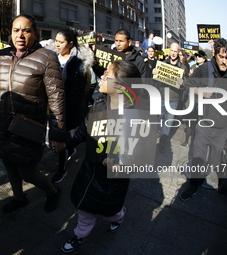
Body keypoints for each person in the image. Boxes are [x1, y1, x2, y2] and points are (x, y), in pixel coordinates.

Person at [0, 14, 65, 213]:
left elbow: (56, 98)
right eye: (16, 30)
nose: (20, 35)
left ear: (35, 33)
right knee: (9, 165)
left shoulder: (47, 57)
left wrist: (57, 133)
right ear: (10, 33)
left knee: (28, 172)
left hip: (27, 126)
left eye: (26, 30)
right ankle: (19, 198)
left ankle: (53, 191)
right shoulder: (1, 55)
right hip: (3, 124)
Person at [62, 60, 140, 253]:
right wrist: (65, 141)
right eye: (104, 73)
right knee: (85, 209)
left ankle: (119, 216)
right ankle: (80, 235)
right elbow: (83, 130)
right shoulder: (98, 102)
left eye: (108, 75)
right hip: (90, 171)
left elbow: (137, 154)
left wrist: (120, 163)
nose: (102, 77)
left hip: (112, 181)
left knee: (109, 212)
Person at [180, 38, 227, 201]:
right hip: (203, 126)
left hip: (221, 130)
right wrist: (199, 91)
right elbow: (185, 84)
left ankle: (203, 178)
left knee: (213, 162)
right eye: (221, 56)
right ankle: (194, 186)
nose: (224, 61)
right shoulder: (204, 69)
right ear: (215, 54)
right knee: (198, 160)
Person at [51, 29, 94, 184]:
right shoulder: (51, 58)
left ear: (70, 44)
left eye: (61, 42)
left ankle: (61, 169)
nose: (57, 44)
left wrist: (62, 108)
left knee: (61, 137)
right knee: (59, 136)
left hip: (67, 108)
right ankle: (70, 149)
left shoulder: (77, 64)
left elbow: (76, 92)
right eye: (55, 41)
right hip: (51, 106)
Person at [155, 43, 188, 154]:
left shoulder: (182, 67)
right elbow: (157, 79)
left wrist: (183, 83)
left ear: (178, 52)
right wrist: (154, 73)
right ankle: (160, 131)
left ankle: (163, 142)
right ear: (169, 51)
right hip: (162, 96)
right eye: (172, 51)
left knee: (168, 122)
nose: (173, 53)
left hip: (174, 99)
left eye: (176, 51)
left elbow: (187, 83)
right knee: (159, 117)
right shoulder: (163, 64)